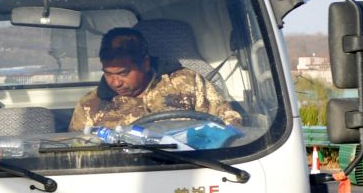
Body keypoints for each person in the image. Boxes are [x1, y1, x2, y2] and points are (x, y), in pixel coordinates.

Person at [70, 27, 243, 132]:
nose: (115, 82)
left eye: (124, 74)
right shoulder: (90, 105)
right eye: (108, 73)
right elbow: (78, 149)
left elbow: (228, 122)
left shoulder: (188, 82)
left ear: (145, 64)